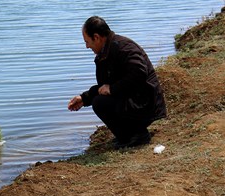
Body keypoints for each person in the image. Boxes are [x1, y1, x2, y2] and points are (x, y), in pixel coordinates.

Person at [68, 16, 167, 149]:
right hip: (136, 100)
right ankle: (127, 137)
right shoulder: (106, 52)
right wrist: (84, 98)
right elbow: (105, 87)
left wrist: (113, 89)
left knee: (100, 103)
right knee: (99, 100)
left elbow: (139, 73)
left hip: (146, 104)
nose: (87, 46)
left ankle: (139, 135)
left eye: (87, 42)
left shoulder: (124, 48)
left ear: (96, 37)